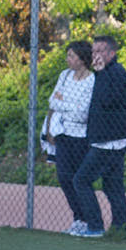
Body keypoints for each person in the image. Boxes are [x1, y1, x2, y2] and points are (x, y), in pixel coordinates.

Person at [72, 35, 126, 238]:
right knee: (112, 186)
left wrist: (99, 73)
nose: (95, 55)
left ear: (111, 53)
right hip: (105, 140)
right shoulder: (104, 73)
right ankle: (119, 229)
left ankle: (95, 226)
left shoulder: (116, 72)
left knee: (81, 180)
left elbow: (107, 100)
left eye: (100, 51)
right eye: (93, 51)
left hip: (110, 142)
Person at [47, 41, 95, 236]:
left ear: (82, 59)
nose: (68, 59)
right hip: (63, 134)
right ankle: (78, 219)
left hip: (81, 138)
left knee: (79, 180)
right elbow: (52, 101)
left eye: (71, 56)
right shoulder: (65, 76)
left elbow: (82, 114)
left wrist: (64, 104)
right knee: (64, 177)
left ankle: (89, 221)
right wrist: (71, 105)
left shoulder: (92, 80)